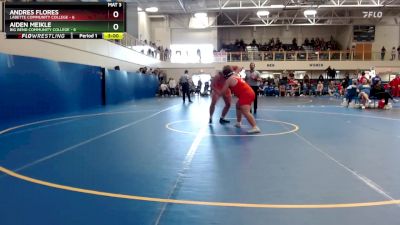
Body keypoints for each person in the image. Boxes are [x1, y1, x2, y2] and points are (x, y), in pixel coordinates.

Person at [215, 65, 260, 134]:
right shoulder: (235, 74)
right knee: (238, 106)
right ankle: (239, 123)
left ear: (225, 74)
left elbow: (223, 91)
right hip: (249, 92)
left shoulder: (228, 80)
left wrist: (216, 93)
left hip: (246, 94)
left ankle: (255, 127)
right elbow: (239, 67)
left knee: (246, 112)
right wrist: (230, 67)